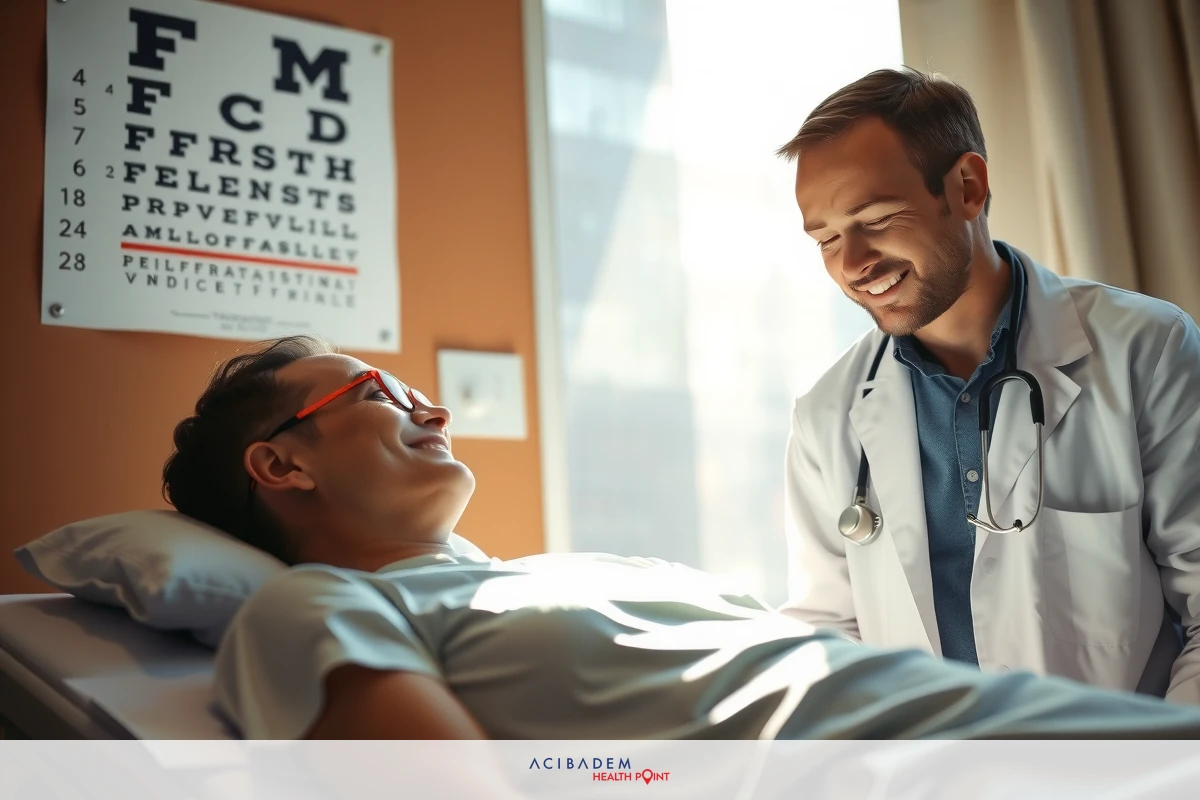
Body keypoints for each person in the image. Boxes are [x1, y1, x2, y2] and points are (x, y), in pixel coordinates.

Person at [162, 336, 1200, 740]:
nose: (432, 409)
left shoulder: (574, 570)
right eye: (383, 392)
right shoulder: (319, 608)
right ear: (281, 463)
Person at [775, 67, 1200, 703]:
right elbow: (830, 634)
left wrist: (1162, 772)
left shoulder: (1146, 349)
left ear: (968, 188)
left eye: (879, 217)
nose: (853, 263)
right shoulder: (827, 415)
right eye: (828, 238)